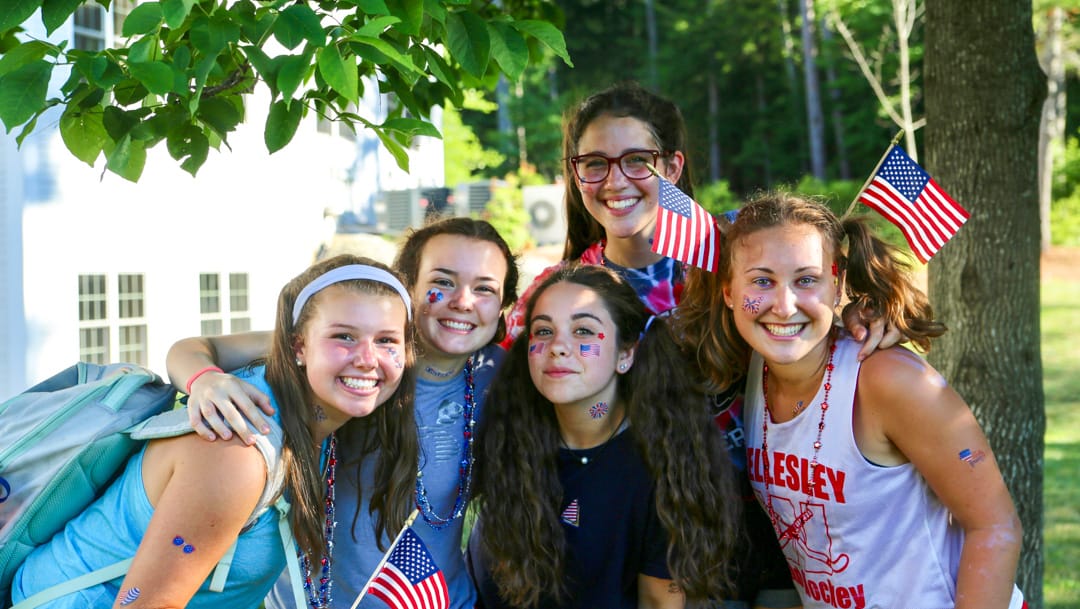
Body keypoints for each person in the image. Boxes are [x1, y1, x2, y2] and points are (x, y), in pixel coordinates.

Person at [676, 192, 1025, 609]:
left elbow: (994, 527)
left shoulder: (887, 380)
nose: (784, 307)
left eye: (806, 280)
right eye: (762, 281)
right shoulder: (752, 367)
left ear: (837, 284)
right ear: (729, 291)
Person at [10, 255, 417, 608]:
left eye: (386, 340)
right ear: (297, 346)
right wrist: (203, 377)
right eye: (343, 336)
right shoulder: (237, 448)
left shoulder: (310, 412)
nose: (367, 359)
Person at [164, 217, 519, 609]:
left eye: (484, 288)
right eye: (442, 282)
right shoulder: (345, 350)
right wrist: (205, 380)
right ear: (406, 288)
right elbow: (193, 348)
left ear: (502, 306)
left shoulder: (502, 378)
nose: (463, 301)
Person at [468, 263, 740, 609]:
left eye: (583, 331)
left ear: (625, 354)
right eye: (543, 331)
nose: (558, 347)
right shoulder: (506, 438)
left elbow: (659, 603)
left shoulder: (667, 465)